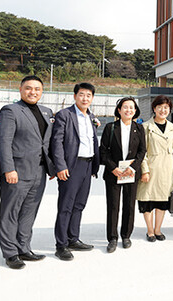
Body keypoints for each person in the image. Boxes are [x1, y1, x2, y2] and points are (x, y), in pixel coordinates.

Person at [0, 75, 55, 269]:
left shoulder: (46, 112)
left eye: (37, 89)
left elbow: (47, 143)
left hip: (39, 171)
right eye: (29, 88)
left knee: (29, 212)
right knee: (10, 212)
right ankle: (10, 252)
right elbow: (3, 142)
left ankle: (24, 247)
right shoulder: (10, 111)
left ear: (42, 91)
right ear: (21, 90)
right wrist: (9, 169)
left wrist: (52, 166)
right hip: (17, 171)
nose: (33, 92)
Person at [50, 82, 100, 260]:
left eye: (88, 95)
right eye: (82, 95)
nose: (85, 98)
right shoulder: (65, 115)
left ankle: (73, 238)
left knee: (79, 204)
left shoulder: (91, 117)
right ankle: (61, 244)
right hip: (71, 165)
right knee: (66, 205)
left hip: (87, 165)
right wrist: (60, 166)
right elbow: (56, 142)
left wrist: (94, 166)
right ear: (75, 96)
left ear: (92, 98)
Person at [100, 97, 146, 252]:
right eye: (125, 107)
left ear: (135, 111)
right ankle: (112, 238)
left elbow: (142, 151)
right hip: (114, 173)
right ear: (119, 110)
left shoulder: (139, 129)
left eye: (131, 107)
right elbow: (103, 151)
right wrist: (113, 168)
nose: (128, 110)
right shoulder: (110, 127)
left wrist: (133, 168)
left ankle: (126, 235)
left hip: (131, 173)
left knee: (129, 205)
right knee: (113, 206)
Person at [136, 95, 173, 243]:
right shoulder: (146, 127)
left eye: (166, 107)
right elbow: (142, 151)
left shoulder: (172, 127)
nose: (163, 110)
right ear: (154, 108)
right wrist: (144, 170)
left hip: (166, 169)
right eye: (160, 107)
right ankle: (150, 230)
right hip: (151, 167)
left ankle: (158, 229)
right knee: (147, 200)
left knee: (162, 201)